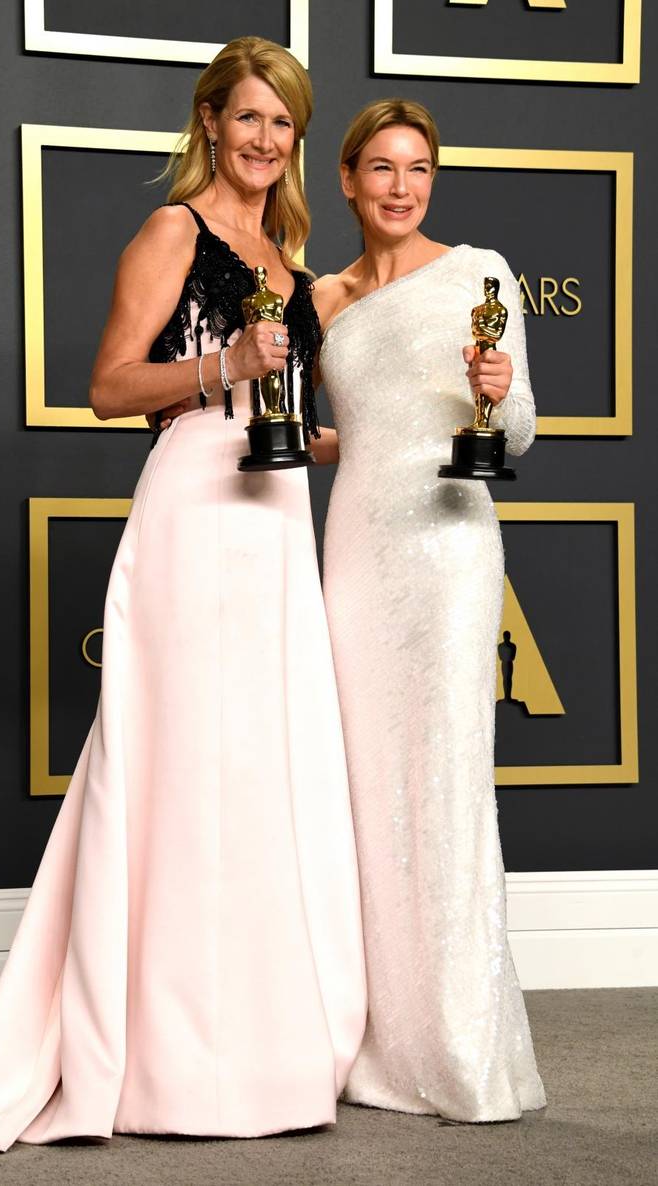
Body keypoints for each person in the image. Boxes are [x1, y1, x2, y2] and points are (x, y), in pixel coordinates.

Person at [0, 38, 365, 1154]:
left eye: (283, 124)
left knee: (258, 769)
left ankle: (256, 1050)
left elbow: (295, 409)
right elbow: (109, 386)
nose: (264, 140)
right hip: (196, 512)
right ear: (208, 122)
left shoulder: (289, 258)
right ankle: (164, 1059)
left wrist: (380, 440)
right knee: (177, 767)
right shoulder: (175, 231)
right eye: (247, 118)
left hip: (273, 522)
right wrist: (224, 369)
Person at [313, 98, 545, 1122]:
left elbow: (519, 430)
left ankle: (453, 1045)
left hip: (447, 545)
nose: (400, 187)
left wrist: (498, 388)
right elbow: (346, 426)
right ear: (347, 181)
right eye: (380, 169)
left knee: (443, 777)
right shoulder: (318, 297)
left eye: (417, 169)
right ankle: (361, 1030)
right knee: (358, 785)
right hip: (354, 546)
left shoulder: (478, 275)